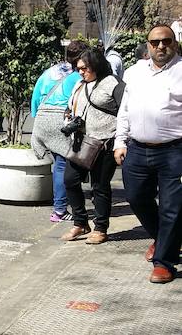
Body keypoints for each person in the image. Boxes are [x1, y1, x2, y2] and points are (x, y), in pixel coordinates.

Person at [114, 25, 182, 284]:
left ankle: (164, 262)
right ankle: (164, 239)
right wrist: (120, 141)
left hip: (174, 150)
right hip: (137, 149)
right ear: (148, 44)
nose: (161, 46)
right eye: (155, 42)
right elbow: (125, 109)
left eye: (166, 41)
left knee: (172, 208)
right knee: (135, 197)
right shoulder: (135, 72)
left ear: (174, 43)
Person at [60, 49, 124, 245]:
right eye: (78, 68)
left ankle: (100, 227)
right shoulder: (80, 84)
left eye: (84, 68)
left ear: (95, 65)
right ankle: (80, 222)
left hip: (105, 142)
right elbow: (70, 106)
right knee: (70, 180)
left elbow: (125, 111)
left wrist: (121, 141)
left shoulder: (112, 83)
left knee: (100, 186)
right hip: (82, 141)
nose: (80, 72)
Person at [30, 40, 89, 223]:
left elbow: (35, 95)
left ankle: (62, 206)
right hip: (60, 119)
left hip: (42, 117)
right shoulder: (79, 75)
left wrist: (36, 118)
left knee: (59, 164)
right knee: (63, 165)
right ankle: (60, 210)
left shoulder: (50, 71)